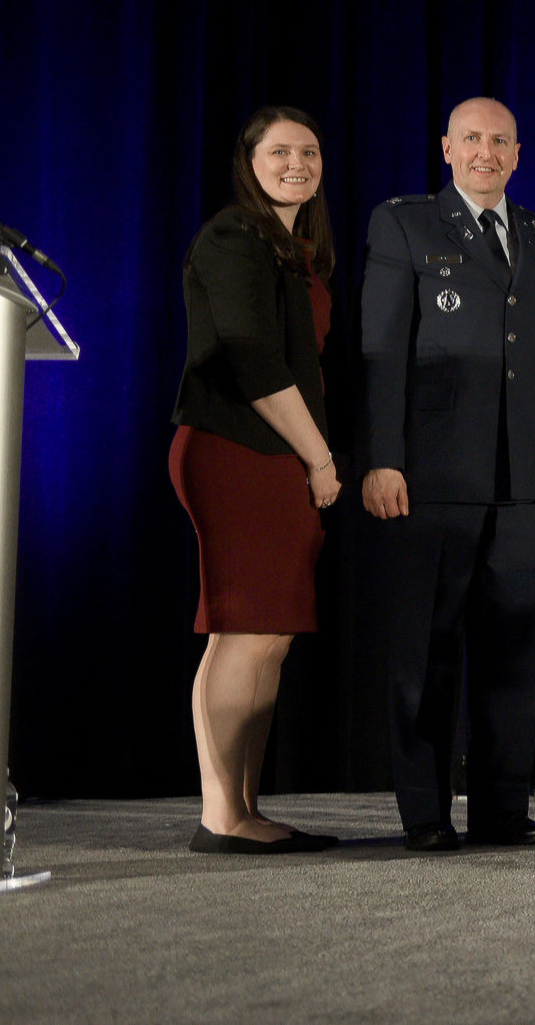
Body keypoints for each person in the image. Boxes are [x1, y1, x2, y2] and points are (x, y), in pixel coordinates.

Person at [358, 96, 535, 852]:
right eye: (473, 139)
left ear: (518, 154)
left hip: (521, 475)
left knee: (513, 648)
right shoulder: (405, 223)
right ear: (446, 147)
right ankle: (425, 812)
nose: (487, 152)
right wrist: (383, 457)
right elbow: (382, 350)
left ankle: (502, 810)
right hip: (434, 471)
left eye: (501, 141)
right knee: (427, 644)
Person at [168, 106, 344, 855]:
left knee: (268, 636)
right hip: (238, 448)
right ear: (250, 161)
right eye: (280, 151)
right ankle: (221, 812)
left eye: (309, 150)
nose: (297, 162)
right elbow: (251, 357)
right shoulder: (235, 235)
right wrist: (320, 456)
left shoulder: (292, 250)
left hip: (276, 456)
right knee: (240, 630)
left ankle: (245, 804)